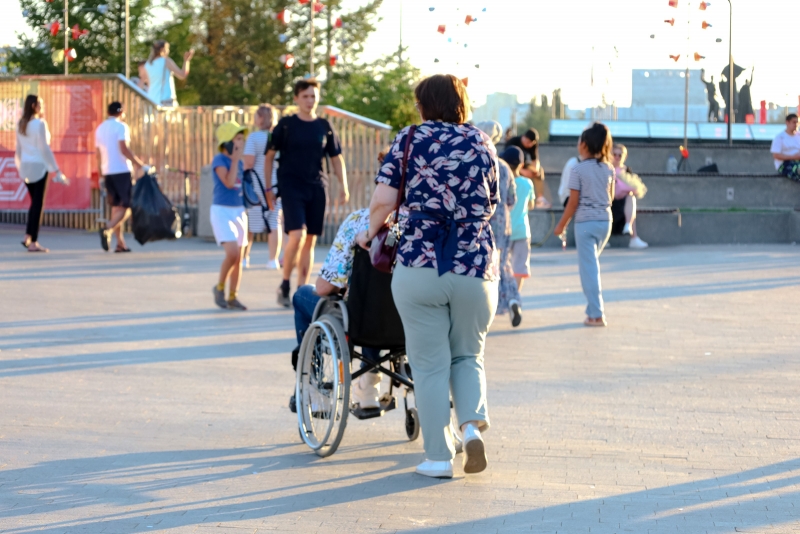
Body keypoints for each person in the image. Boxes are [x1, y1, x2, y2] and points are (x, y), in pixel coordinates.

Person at [360, 74, 499, 479]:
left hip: (420, 264)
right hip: (474, 265)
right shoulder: (483, 142)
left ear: (423, 105)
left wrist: (367, 234)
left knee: (430, 364)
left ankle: (439, 457)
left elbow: (384, 200)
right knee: (468, 355)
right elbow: (491, 202)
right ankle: (471, 426)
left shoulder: (410, 139)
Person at [289, 208, 394, 412]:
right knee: (382, 303)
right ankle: (369, 384)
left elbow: (323, 288)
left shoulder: (359, 220)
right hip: (404, 322)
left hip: (358, 321)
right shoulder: (427, 220)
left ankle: (314, 387)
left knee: (302, 295)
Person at [265, 79, 349, 308]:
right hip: (290, 186)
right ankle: (284, 283)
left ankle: (301, 290)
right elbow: (269, 156)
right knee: (298, 235)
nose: (310, 100)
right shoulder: (285, 125)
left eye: (313, 96)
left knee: (310, 241)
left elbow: (335, 158)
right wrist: (268, 188)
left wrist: (344, 185)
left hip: (316, 187)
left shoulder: (324, 126)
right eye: (305, 96)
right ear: (296, 99)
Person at [554, 122, 614, 328]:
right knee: (592, 267)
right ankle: (592, 310)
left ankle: (596, 314)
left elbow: (573, 203)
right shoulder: (609, 169)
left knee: (588, 269)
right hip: (605, 222)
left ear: (585, 145)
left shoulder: (577, 169)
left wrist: (561, 225)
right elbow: (611, 197)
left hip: (585, 224)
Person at [477, 121, 522, 327]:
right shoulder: (504, 166)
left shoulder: (478, 161)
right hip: (504, 222)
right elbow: (512, 198)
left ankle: (487, 306)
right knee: (503, 264)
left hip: (483, 222)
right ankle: (513, 299)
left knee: (484, 265)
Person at [95, 101, 146, 253]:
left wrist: (100, 175)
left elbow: (98, 154)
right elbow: (123, 148)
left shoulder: (100, 128)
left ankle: (120, 243)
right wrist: (139, 164)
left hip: (107, 171)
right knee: (127, 206)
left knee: (117, 206)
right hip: (121, 170)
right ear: (121, 112)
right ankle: (108, 229)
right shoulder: (121, 127)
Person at [14, 94, 63, 253]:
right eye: (40, 104)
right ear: (34, 106)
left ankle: (28, 235)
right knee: (38, 204)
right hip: (39, 167)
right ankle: (33, 241)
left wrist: (20, 168)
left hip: (26, 167)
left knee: (34, 203)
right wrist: (56, 168)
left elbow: (19, 150)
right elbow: (44, 148)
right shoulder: (40, 124)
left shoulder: (21, 123)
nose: (42, 106)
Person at [211, 121, 249, 311]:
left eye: (242, 140)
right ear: (227, 142)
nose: (241, 144)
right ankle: (219, 288)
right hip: (221, 210)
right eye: (237, 140)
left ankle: (233, 296)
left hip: (238, 210)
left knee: (239, 257)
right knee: (232, 253)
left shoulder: (240, 162)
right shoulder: (220, 160)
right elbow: (228, 182)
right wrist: (234, 160)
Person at [242, 104, 282, 269]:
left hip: (256, 187)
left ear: (260, 118)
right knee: (274, 222)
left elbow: (249, 162)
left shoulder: (254, 138)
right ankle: (273, 260)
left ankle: (245, 258)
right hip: (275, 185)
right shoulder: (276, 137)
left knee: (249, 223)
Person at [506, 147, 535, 293]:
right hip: (523, 230)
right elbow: (531, 205)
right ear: (522, 165)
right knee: (519, 267)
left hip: (505, 229)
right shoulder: (527, 183)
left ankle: (502, 296)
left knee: (502, 265)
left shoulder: (503, 183)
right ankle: (515, 297)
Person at [610, 144, 648, 249]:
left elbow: (635, 188)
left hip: (622, 204)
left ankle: (631, 232)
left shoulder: (627, 170)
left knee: (631, 197)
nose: (617, 157)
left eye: (620, 155)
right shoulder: (607, 168)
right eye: (614, 154)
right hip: (609, 203)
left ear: (624, 157)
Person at [505, 128, 550, 209]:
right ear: (523, 137)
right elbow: (505, 161)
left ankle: (540, 199)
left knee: (539, 171)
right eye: (528, 142)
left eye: (531, 144)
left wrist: (535, 170)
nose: (529, 145)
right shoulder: (513, 141)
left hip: (523, 164)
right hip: (512, 166)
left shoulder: (533, 145)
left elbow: (535, 160)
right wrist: (523, 171)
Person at [141, 40, 193, 107]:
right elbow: (182, 75)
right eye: (167, 48)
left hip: (152, 102)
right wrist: (186, 60)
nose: (168, 51)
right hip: (166, 101)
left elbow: (146, 82)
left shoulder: (147, 65)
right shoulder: (165, 61)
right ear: (163, 49)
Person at [771, 114, 800, 182]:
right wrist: (794, 157)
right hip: (784, 164)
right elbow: (776, 155)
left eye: (797, 122)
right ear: (787, 122)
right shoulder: (780, 137)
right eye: (794, 122)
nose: (796, 124)